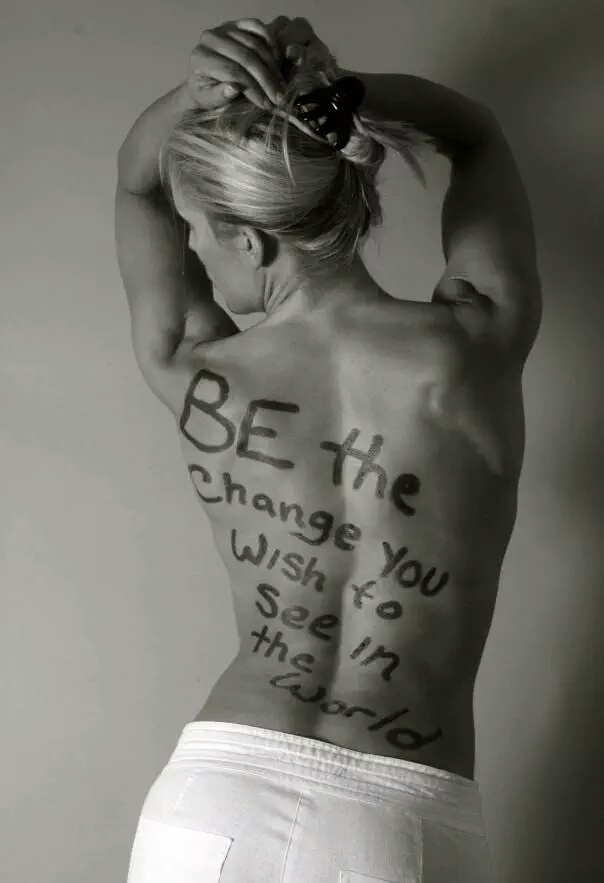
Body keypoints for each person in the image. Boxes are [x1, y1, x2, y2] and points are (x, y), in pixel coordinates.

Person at [115, 14, 541, 883]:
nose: (193, 246)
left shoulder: (196, 367)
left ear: (249, 239)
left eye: (198, 229)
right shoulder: (478, 341)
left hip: (214, 800)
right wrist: (336, 95)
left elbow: (137, 185)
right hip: (396, 820)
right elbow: (476, 134)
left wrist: (194, 95)